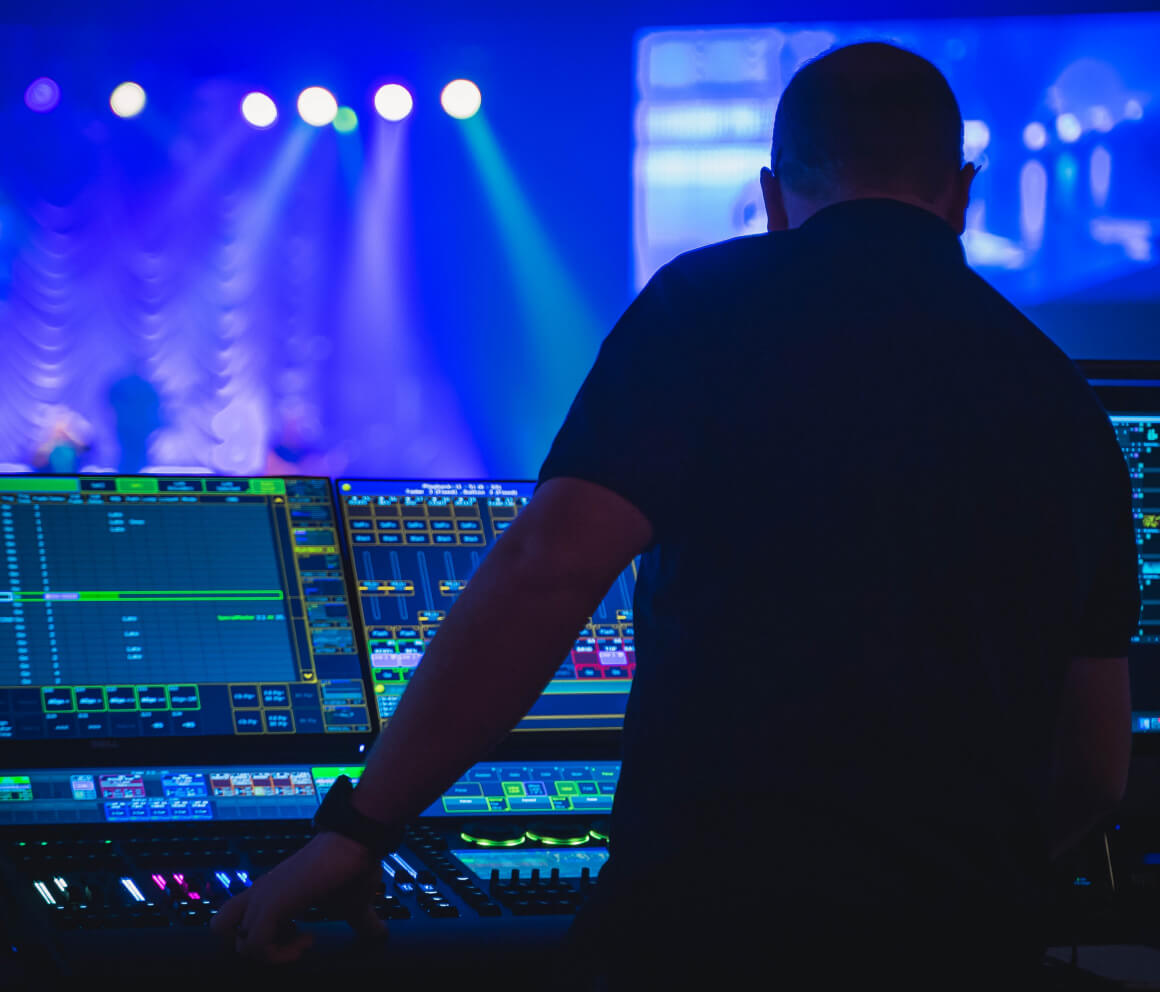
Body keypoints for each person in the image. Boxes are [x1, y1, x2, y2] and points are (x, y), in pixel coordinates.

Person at [211, 42, 1140, 988]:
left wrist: (360, 828)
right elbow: (1099, 769)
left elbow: (551, 569)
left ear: (774, 198)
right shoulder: (1063, 400)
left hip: (710, 932)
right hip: (968, 949)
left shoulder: (708, 305)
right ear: (962, 197)